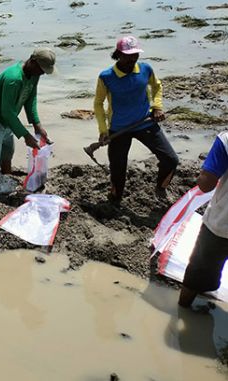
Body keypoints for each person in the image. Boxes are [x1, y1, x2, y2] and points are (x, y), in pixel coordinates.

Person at [93, 35, 178, 203]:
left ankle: (161, 188)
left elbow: (157, 86)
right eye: (127, 55)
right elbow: (98, 104)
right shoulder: (106, 77)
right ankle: (115, 199)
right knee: (118, 170)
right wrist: (103, 130)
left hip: (145, 123)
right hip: (119, 129)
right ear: (118, 54)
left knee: (171, 160)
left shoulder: (145, 69)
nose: (132, 59)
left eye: (135, 54)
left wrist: (157, 107)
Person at [0, 48, 56, 197]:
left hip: (9, 121)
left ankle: (7, 186)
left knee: (7, 154)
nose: (43, 73)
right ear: (32, 62)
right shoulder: (13, 79)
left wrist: (37, 124)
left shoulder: (33, 75)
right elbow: (6, 111)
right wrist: (25, 135)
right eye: (42, 69)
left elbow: (30, 99)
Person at [178, 131, 228, 309]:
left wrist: (201, 175)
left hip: (221, 226)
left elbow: (206, 184)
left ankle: (183, 309)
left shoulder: (226, 140)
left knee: (197, 273)